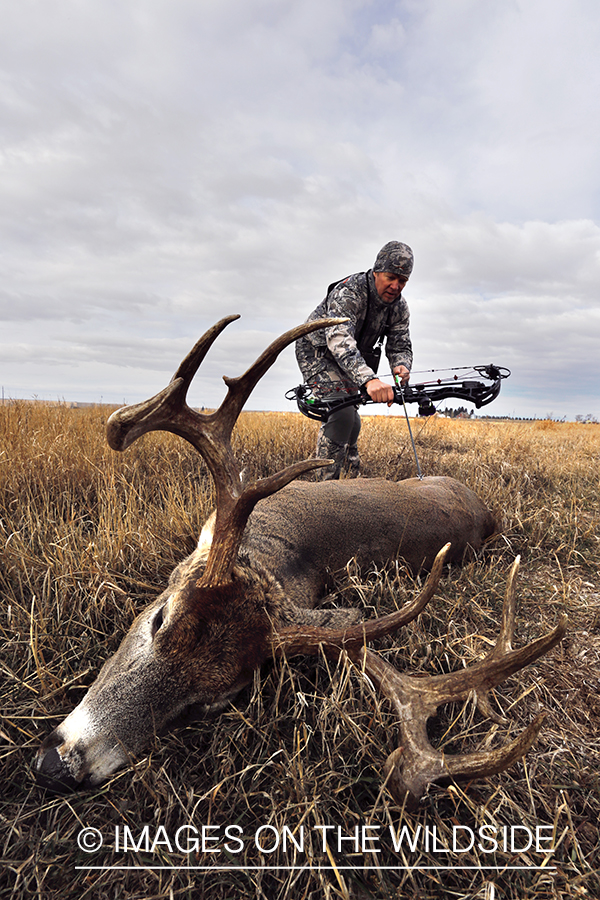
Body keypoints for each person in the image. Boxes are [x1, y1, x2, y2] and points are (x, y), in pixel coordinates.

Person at [295, 240, 413, 479]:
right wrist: (369, 380)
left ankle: (351, 481)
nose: (395, 286)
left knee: (351, 419)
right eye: (391, 277)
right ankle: (325, 488)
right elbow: (338, 338)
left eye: (402, 281)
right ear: (377, 271)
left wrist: (401, 366)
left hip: (352, 358)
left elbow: (400, 344)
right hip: (317, 352)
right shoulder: (349, 291)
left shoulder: (399, 307)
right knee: (342, 413)